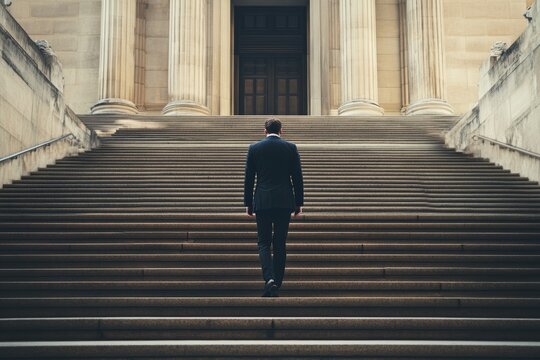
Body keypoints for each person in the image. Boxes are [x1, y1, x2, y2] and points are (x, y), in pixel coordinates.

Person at [244, 118, 304, 297]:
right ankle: (277, 281)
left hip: (262, 201)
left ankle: (268, 278)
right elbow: (297, 178)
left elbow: (249, 179)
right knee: (279, 243)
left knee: (263, 243)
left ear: (264, 131)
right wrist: (298, 203)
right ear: (281, 131)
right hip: (284, 201)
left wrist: (248, 203)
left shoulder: (254, 148)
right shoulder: (290, 148)